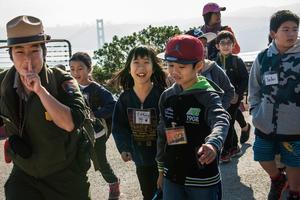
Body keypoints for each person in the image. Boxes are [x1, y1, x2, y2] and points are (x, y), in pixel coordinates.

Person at [0, 15, 90, 200]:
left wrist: (41, 91)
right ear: (11, 55)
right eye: (19, 52)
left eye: (34, 51)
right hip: (25, 173)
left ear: (44, 52)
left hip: (64, 174)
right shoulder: (3, 83)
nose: (28, 60)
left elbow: (70, 123)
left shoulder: (63, 80)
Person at [156, 34, 230, 200]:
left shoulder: (208, 96)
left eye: (181, 67)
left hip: (202, 178)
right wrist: (161, 170)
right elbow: (162, 133)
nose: (174, 71)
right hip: (172, 175)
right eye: (170, 65)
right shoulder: (167, 97)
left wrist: (213, 143)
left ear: (199, 66)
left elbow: (221, 119)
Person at [249, 10, 300, 200]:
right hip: (265, 123)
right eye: (285, 29)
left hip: (295, 125)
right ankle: (277, 179)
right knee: (262, 155)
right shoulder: (263, 57)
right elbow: (254, 87)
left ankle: (295, 192)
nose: (291, 34)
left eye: (295, 29)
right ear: (273, 33)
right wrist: (255, 111)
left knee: (294, 160)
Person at [111, 45, 167, 200]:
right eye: (136, 62)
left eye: (146, 62)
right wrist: (124, 148)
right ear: (129, 69)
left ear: (154, 68)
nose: (141, 67)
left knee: (166, 194)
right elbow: (119, 127)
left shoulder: (163, 95)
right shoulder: (125, 99)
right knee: (148, 194)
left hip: (163, 157)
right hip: (141, 158)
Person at [69, 52, 120, 200]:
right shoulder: (71, 88)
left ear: (89, 69)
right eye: (72, 69)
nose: (75, 72)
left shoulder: (97, 89)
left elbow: (113, 105)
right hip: (79, 134)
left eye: (80, 68)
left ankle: (113, 183)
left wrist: (96, 114)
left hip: (97, 134)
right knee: (78, 162)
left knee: (101, 163)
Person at [214, 30, 249, 163]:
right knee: (228, 121)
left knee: (227, 122)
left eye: (229, 43)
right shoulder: (214, 62)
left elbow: (245, 79)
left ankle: (226, 150)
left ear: (233, 45)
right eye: (222, 43)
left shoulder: (237, 61)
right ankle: (234, 147)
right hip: (220, 98)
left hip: (234, 98)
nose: (226, 45)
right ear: (217, 46)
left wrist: (238, 94)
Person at [185, 29, 235, 110]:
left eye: (205, 45)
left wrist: (220, 109)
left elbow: (229, 90)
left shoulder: (213, 67)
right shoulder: (178, 72)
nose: (204, 49)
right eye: (198, 46)